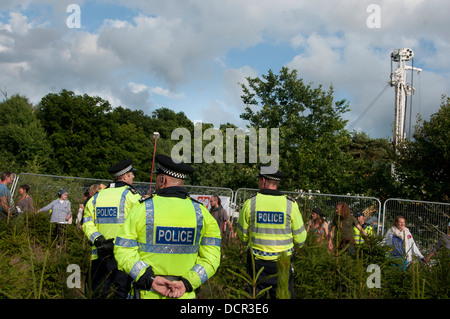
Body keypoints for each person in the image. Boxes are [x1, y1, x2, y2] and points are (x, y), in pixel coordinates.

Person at [114, 154, 221, 299]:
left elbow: (123, 249)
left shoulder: (142, 209)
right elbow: (212, 258)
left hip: (147, 293)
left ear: (162, 179)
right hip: (184, 294)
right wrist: (188, 282)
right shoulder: (202, 213)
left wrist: (149, 279)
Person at [237, 165, 307, 299]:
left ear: (263, 180)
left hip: (256, 265)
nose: (258, 182)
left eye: (258, 180)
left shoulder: (251, 203)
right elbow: (301, 240)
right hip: (283, 265)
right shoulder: (290, 204)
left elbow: (243, 235)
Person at [82, 159, 141, 299]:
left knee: (99, 294)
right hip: (124, 257)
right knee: (122, 294)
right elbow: (142, 224)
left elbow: (86, 222)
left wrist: (98, 239)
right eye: (132, 174)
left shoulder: (96, 197)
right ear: (125, 176)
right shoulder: (132, 196)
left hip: (99, 256)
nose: (133, 177)